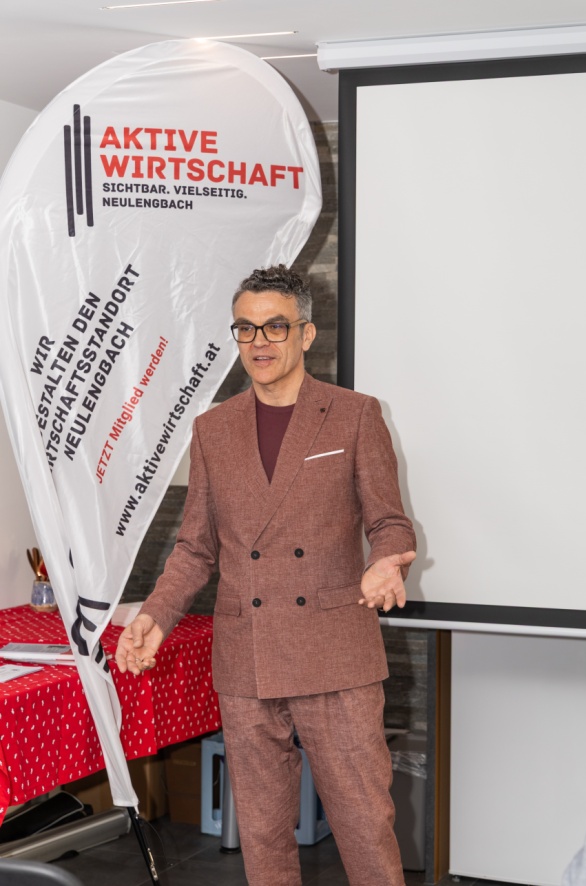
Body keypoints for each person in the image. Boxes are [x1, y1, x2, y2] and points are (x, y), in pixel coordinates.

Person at [116, 264, 417, 886]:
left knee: (365, 825)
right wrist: (154, 616)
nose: (259, 342)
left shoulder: (355, 415)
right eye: (246, 329)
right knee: (262, 834)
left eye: (275, 327)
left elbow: (390, 522)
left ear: (305, 333)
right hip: (246, 655)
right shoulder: (212, 428)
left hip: (334, 651)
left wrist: (386, 560)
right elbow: (195, 549)